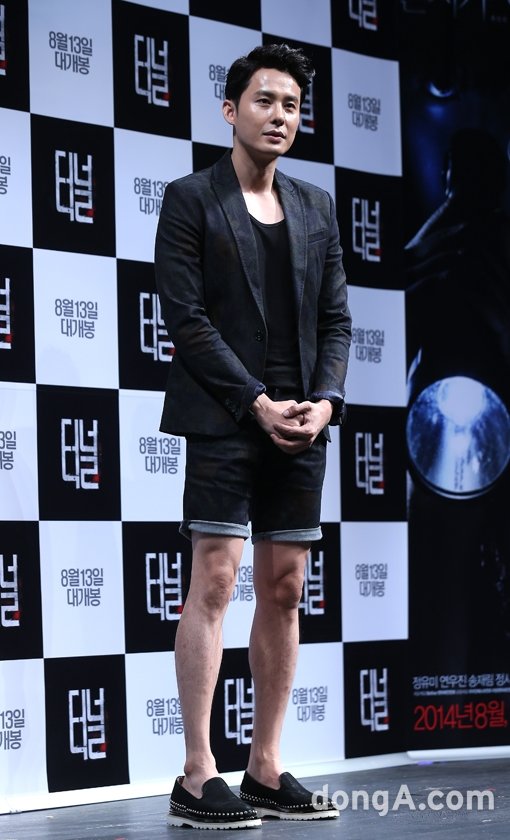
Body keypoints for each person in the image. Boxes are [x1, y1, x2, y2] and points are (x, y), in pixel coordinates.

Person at [155, 43, 351, 830]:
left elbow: (336, 319)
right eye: (266, 101)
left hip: (301, 422)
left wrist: (325, 403)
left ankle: (265, 767)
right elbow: (186, 320)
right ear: (231, 110)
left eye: (292, 106)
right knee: (214, 581)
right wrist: (257, 402)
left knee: (286, 588)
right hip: (225, 414)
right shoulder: (190, 198)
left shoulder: (316, 207)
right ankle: (197, 773)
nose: (280, 116)